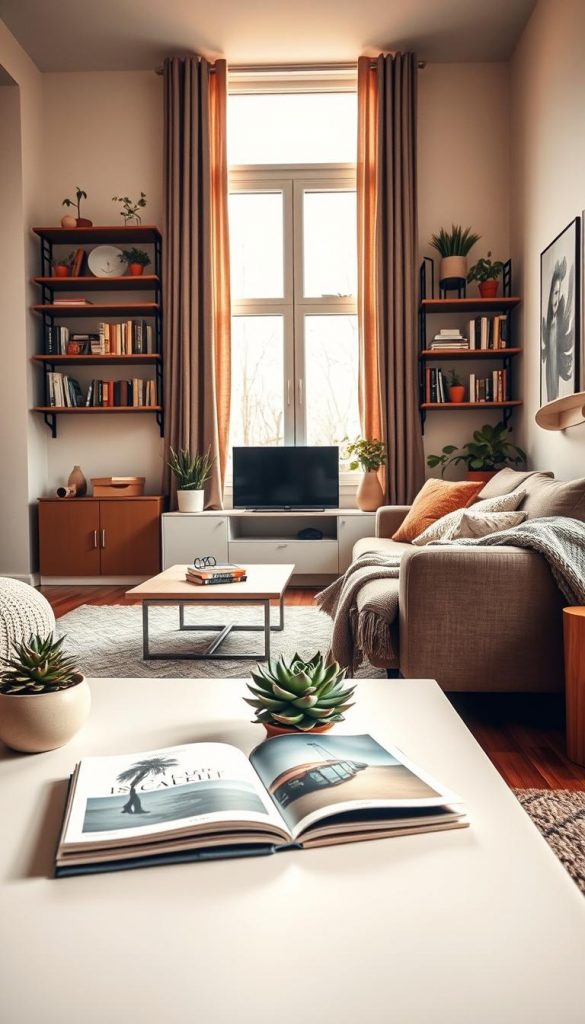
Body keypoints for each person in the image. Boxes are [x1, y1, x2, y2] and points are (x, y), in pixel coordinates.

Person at [542, 256, 574, 402]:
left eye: (558, 293)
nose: (556, 299)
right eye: (555, 293)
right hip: (550, 374)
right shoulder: (550, 325)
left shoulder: (558, 324)